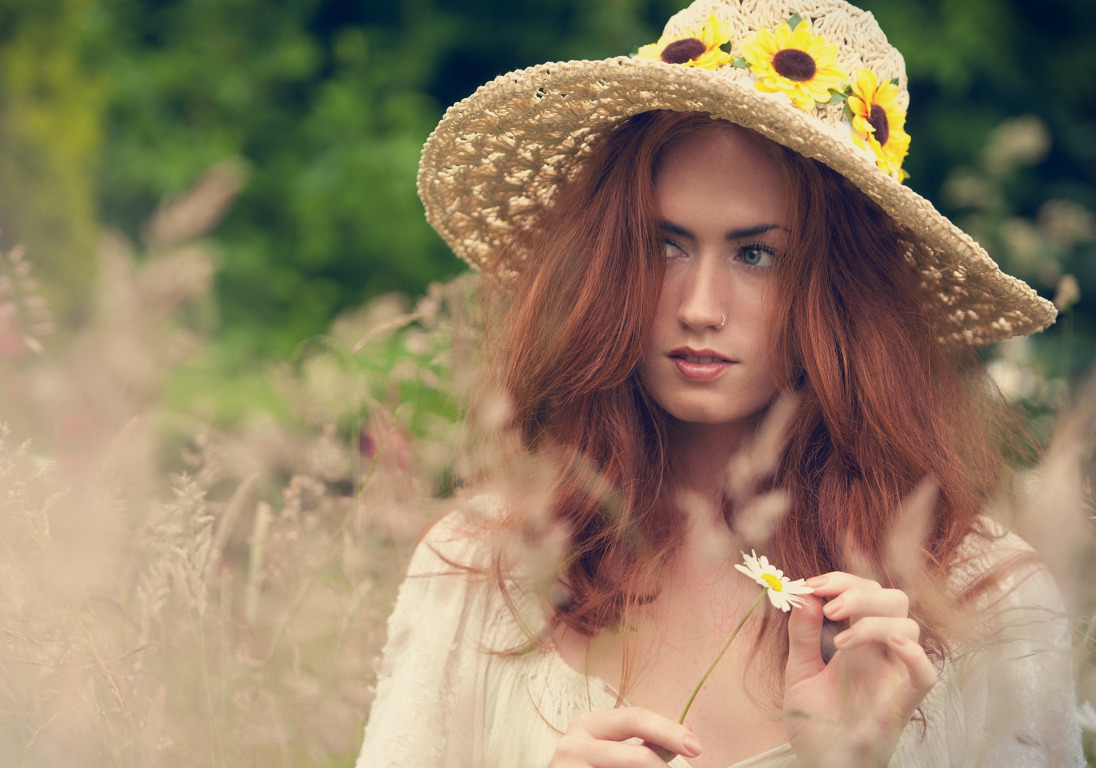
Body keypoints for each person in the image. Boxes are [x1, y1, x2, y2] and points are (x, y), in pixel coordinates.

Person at [357, 0, 1084, 765]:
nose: (699, 309)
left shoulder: (984, 604)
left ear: (844, 291)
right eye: (664, 245)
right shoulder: (480, 571)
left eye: (757, 255)